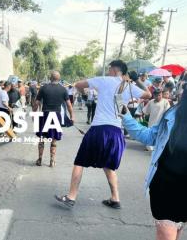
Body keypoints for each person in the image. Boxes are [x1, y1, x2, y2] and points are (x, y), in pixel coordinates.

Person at [55, 60, 151, 209]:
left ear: (113, 69)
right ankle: (115, 198)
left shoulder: (103, 80)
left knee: (80, 162)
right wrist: (137, 79)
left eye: (109, 68)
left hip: (99, 128)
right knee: (108, 166)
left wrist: (84, 93)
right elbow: (148, 94)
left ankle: (71, 196)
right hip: (116, 132)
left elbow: (78, 85)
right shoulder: (129, 86)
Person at [122, 84, 187, 240]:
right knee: (170, 231)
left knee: (176, 230)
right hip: (166, 186)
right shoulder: (172, 114)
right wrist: (127, 118)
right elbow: (150, 136)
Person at [33, 71, 74, 167]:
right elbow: (69, 105)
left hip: (45, 114)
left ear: (50, 78)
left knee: (42, 138)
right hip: (56, 115)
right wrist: (72, 116)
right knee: (54, 139)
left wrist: (34, 113)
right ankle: (52, 161)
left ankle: (39, 159)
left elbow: (36, 103)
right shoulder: (63, 89)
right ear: (59, 79)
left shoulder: (43, 88)